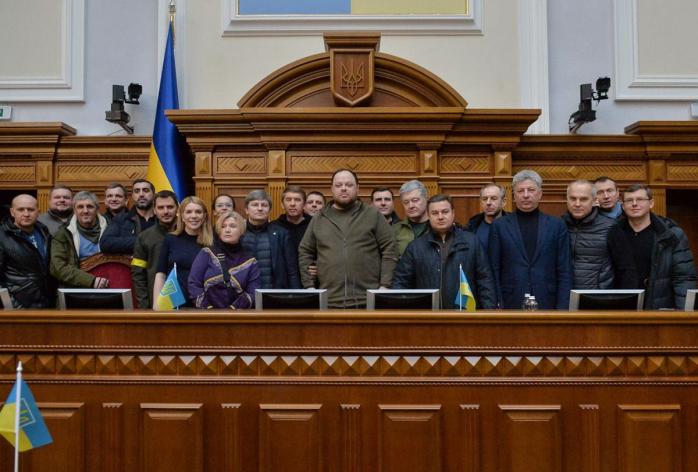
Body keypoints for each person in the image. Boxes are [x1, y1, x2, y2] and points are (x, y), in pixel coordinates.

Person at [298, 169, 396, 308]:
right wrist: (309, 286)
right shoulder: (319, 218)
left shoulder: (373, 215)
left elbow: (390, 248)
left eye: (349, 185)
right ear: (331, 189)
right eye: (338, 185)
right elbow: (305, 251)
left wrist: (385, 286)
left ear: (357, 188)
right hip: (329, 302)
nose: (343, 188)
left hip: (367, 301)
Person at [393, 194, 497, 309]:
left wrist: (489, 315)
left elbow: (485, 281)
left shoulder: (472, 242)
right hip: (427, 318)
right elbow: (401, 283)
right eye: (435, 213)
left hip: (465, 316)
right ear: (428, 216)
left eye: (445, 212)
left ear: (453, 213)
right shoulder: (415, 247)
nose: (440, 217)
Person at [488, 170, 572, 309]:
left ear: (540, 194)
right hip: (510, 300)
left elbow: (564, 269)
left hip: (548, 300)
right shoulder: (499, 226)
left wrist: (563, 306)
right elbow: (494, 269)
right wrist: (497, 303)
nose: (526, 195)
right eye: (521, 191)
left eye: (531, 190)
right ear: (514, 195)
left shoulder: (557, 225)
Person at [608, 184, 696, 309]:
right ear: (623, 206)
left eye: (640, 199)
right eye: (629, 200)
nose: (634, 204)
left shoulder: (671, 234)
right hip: (623, 306)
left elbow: (684, 277)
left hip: (660, 306)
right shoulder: (614, 233)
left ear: (651, 203)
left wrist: (684, 313)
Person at [189, 211, 260, 309]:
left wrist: (231, 311)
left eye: (232, 226)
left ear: (241, 231)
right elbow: (194, 283)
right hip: (207, 316)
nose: (227, 230)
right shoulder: (207, 253)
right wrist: (208, 309)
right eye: (223, 226)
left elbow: (252, 292)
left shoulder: (250, 261)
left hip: (237, 317)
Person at [153, 196, 213, 309]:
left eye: (198, 212)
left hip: (206, 304)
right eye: (189, 212)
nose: (193, 216)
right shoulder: (170, 239)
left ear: (204, 216)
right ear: (182, 216)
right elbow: (160, 274)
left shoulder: (213, 242)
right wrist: (157, 305)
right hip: (175, 303)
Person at [0, 194, 54, 308]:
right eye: (20, 209)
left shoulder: (44, 231)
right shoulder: (2, 236)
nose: (26, 214)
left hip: (47, 302)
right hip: (18, 306)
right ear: (12, 212)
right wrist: (10, 304)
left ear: (38, 212)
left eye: (31, 209)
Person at [240, 189, 300, 289]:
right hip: (243, 295)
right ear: (246, 210)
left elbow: (292, 270)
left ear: (270, 210)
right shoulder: (238, 232)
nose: (260, 209)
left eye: (264, 205)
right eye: (255, 205)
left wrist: (296, 296)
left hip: (273, 294)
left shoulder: (282, 233)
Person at [562, 180, 616, 289]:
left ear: (594, 201)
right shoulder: (559, 225)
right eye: (573, 199)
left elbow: (624, 268)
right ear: (567, 200)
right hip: (565, 295)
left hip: (598, 297)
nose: (577, 204)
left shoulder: (611, 227)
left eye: (583, 199)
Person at [50, 191, 109, 288]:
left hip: (109, 284)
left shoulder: (111, 229)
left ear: (97, 209)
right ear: (74, 210)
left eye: (90, 206)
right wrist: (90, 281)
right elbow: (58, 267)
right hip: (76, 288)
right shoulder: (63, 234)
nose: (85, 211)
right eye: (80, 207)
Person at [131, 190, 179, 309]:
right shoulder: (144, 237)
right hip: (156, 302)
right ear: (154, 210)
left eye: (170, 207)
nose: (166, 211)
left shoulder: (187, 233)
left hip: (186, 301)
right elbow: (138, 275)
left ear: (177, 208)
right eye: (161, 208)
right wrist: (144, 306)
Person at [100, 179, 157, 254]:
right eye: (137, 191)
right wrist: (143, 241)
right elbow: (105, 243)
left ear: (153, 195)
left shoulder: (161, 218)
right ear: (133, 196)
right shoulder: (121, 219)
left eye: (146, 190)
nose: (141, 194)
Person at [465, 183, 508, 253]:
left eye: (493, 198)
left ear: (503, 202)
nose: (488, 203)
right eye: (484, 199)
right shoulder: (472, 226)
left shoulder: (514, 225)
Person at [392, 180, 429, 257]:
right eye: (406, 202)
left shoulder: (438, 227)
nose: (411, 206)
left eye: (415, 200)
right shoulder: (395, 230)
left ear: (426, 199)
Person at [273, 185, 311, 250]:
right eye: (288, 200)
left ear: (304, 205)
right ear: (282, 205)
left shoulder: (313, 225)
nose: (292, 204)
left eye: (297, 200)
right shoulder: (273, 227)